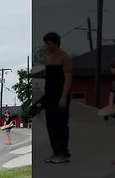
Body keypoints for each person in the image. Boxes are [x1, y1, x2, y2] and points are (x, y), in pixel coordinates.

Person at [42, 32, 73, 164]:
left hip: (60, 96)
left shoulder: (64, 57)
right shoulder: (48, 59)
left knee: (61, 124)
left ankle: (63, 153)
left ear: (55, 43)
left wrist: (64, 96)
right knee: (51, 125)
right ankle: (55, 152)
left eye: (48, 43)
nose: (46, 46)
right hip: (49, 96)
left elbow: (68, 77)